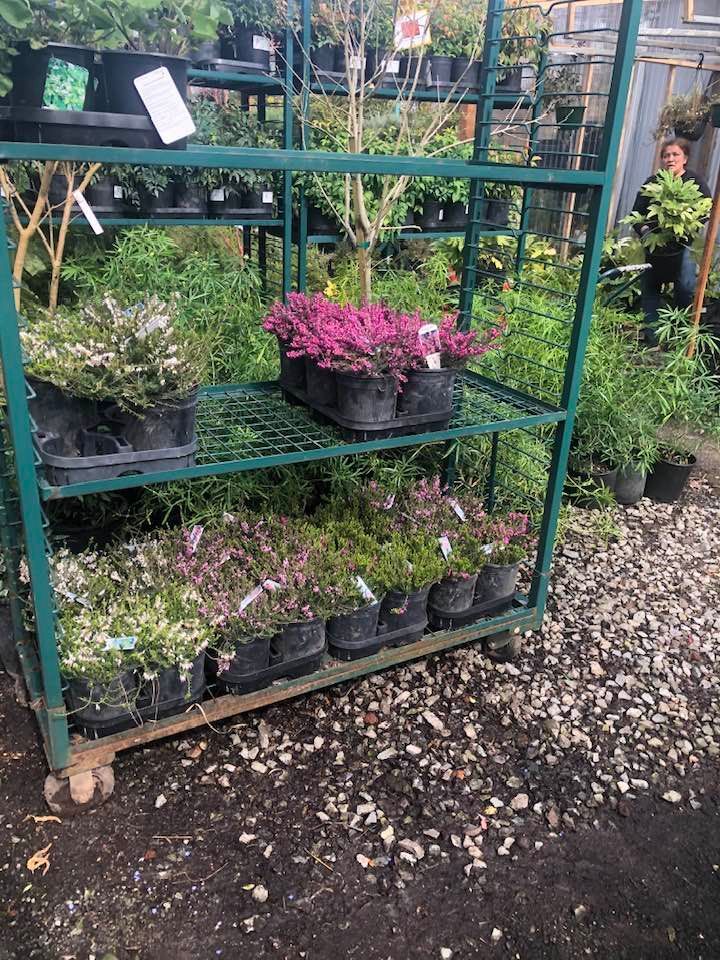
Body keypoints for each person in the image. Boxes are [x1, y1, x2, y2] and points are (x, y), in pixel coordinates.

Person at [631, 138, 711, 347]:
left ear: (685, 158)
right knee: (650, 289)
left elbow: (706, 210)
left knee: (685, 288)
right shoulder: (652, 182)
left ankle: (679, 337)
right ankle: (652, 339)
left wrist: (686, 227)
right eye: (666, 155)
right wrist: (647, 232)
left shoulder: (695, 182)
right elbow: (636, 214)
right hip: (655, 246)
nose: (670, 159)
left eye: (675, 155)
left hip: (683, 245)